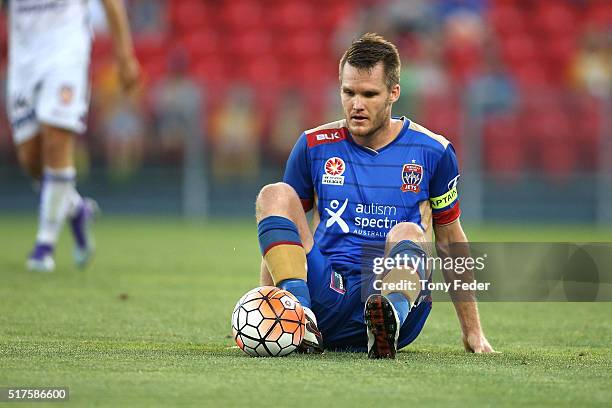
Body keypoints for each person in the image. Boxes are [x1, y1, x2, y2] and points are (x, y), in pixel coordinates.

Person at [255, 33, 494, 358]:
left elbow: (450, 240)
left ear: (394, 93)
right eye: (348, 92)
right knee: (274, 195)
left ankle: (387, 319)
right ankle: (301, 317)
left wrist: (473, 331)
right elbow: (285, 236)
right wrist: (269, 312)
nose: (356, 104)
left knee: (410, 232)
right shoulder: (314, 145)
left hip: (395, 286)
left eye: (369, 94)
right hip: (328, 288)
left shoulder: (433, 151)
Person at [6, 0, 139, 272]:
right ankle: (76, 209)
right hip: (23, 58)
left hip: (65, 52)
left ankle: (44, 247)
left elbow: (111, 4)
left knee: (56, 141)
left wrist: (124, 56)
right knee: (31, 160)